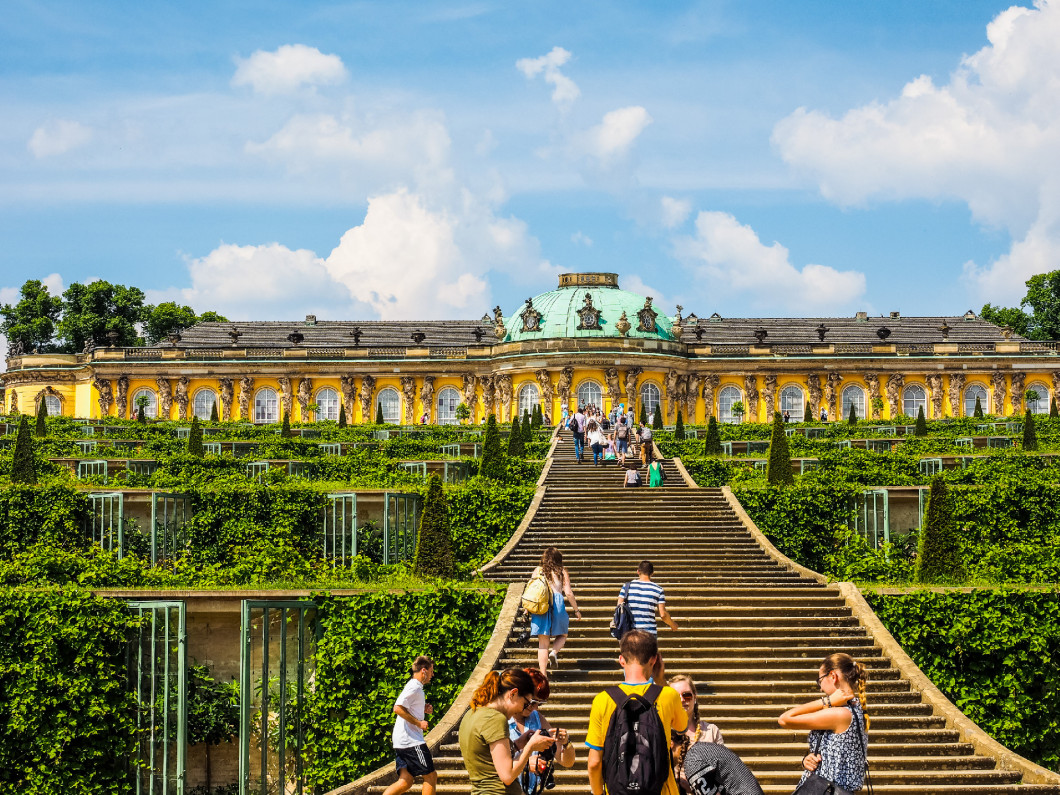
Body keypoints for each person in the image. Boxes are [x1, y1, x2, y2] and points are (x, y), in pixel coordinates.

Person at [586, 630, 687, 795]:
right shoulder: (668, 696)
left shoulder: (602, 700)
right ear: (654, 660)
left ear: (621, 660)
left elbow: (594, 763)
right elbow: (682, 727)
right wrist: (661, 681)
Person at [778, 653, 870, 795]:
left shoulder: (840, 714)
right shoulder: (855, 709)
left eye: (820, 680)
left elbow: (784, 719)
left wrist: (826, 701)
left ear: (833, 676)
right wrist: (808, 760)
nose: (820, 688)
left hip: (826, 790)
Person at [459, 668, 556, 795]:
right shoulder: (495, 719)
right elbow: (507, 776)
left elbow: (488, 760)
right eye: (525, 703)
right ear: (513, 694)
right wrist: (530, 747)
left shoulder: (471, 714)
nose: (523, 709)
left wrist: (516, 745)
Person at [509, 668, 576, 793]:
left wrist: (566, 743)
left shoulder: (537, 718)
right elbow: (494, 764)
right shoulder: (500, 720)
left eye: (539, 704)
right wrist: (525, 763)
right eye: (533, 702)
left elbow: (567, 762)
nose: (535, 708)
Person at [383, 656, 438, 795]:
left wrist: (422, 708)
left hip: (401, 741)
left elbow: (406, 706)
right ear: (424, 671)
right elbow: (398, 708)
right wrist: (419, 723)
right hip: (411, 741)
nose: (432, 675)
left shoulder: (415, 687)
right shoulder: (414, 686)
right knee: (431, 776)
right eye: (431, 671)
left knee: (406, 781)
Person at [530, 547, 582, 674]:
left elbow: (531, 590)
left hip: (540, 605)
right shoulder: (561, 571)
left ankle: (543, 674)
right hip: (557, 603)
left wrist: (527, 609)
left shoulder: (538, 570)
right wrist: (576, 610)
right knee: (563, 634)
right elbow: (568, 593)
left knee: (543, 643)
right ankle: (553, 652)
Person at [669, 675, 724, 795]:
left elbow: (723, 772)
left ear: (695, 696)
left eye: (686, 695)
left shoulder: (712, 731)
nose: (682, 700)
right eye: (675, 696)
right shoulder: (664, 732)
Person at [617, 560, 678, 634]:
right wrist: (672, 624)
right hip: (649, 634)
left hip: (630, 634)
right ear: (652, 573)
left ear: (638, 571)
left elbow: (619, 608)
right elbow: (663, 615)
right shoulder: (658, 589)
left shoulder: (627, 586)